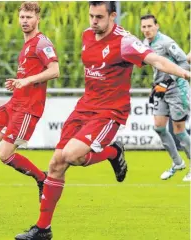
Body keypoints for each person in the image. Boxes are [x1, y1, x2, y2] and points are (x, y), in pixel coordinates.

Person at [14, 2, 191, 239]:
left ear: (113, 16)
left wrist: (185, 73)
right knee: (56, 163)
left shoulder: (125, 42)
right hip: (85, 106)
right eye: (91, 16)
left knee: (71, 155)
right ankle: (43, 229)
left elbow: (156, 60)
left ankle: (112, 153)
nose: (93, 21)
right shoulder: (88, 35)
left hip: (109, 111)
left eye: (99, 17)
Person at [0, 1, 60, 203]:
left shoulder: (42, 43)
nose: (25, 21)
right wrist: (18, 82)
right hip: (14, 103)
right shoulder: (27, 44)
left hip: (28, 108)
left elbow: (54, 70)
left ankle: (42, 178)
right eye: (22, 17)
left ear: (38, 19)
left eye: (29, 17)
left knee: (4, 154)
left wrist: (26, 80)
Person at [140, 14, 190, 181]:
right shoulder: (145, 44)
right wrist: (155, 86)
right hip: (161, 89)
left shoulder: (167, 43)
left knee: (179, 131)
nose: (146, 30)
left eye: (149, 26)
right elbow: (156, 67)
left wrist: (168, 81)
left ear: (157, 26)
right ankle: (177, 163)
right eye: (144, 27)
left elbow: (184, 63)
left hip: (177, 89)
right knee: (159, 127)